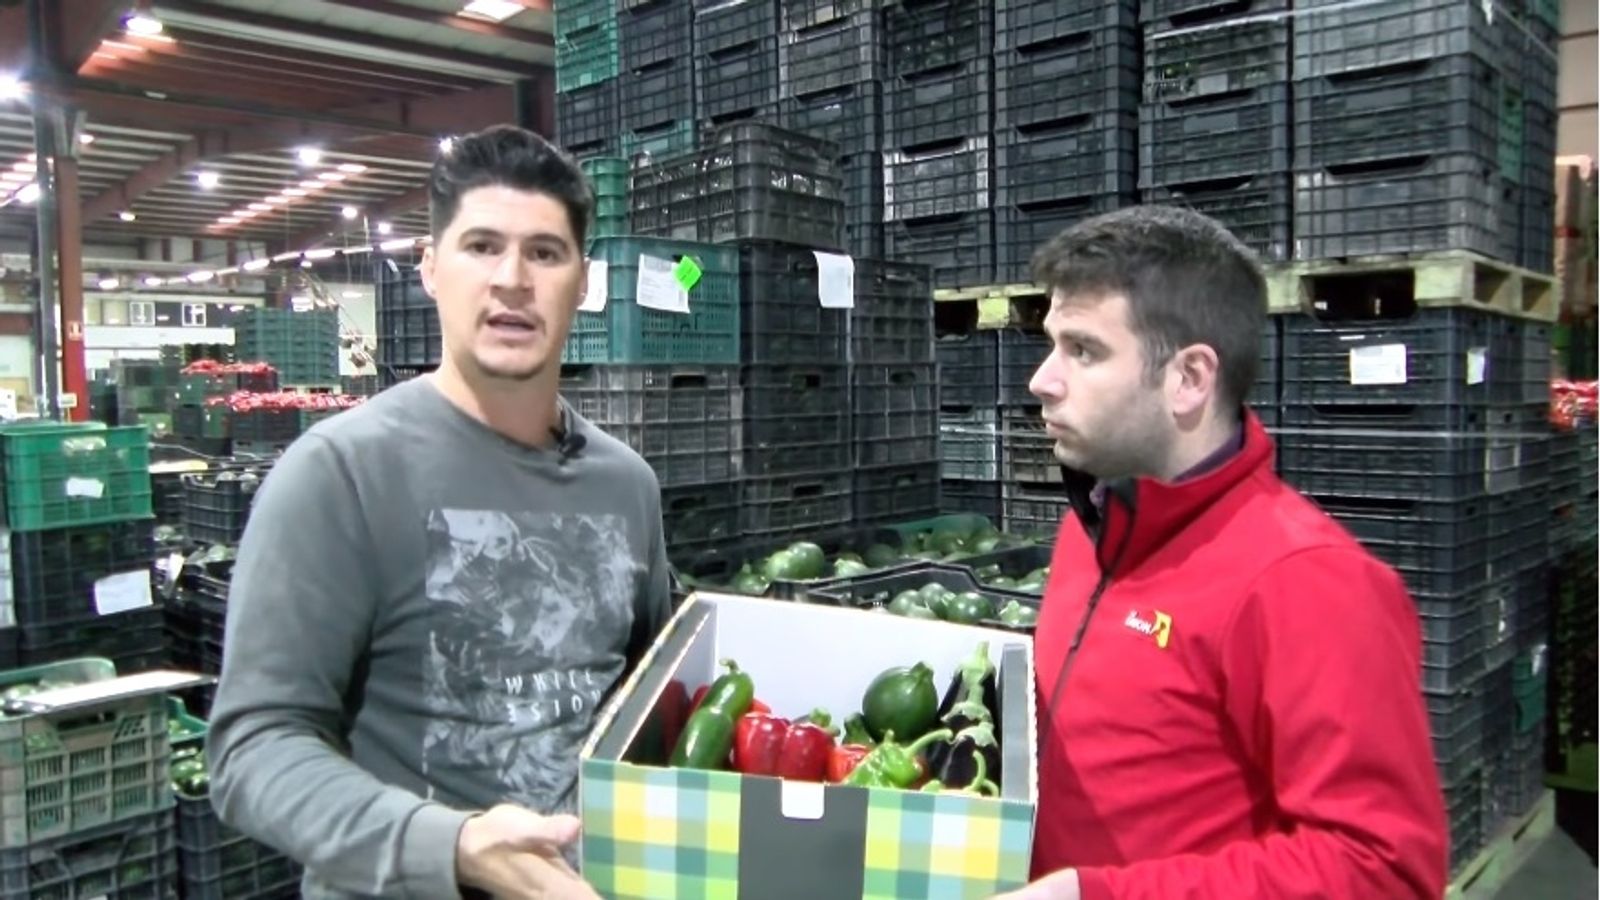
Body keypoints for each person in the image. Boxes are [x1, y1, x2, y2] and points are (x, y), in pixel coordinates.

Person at [206, 125, 672, 900]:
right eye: (481, 246)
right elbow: (254, 748)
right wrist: (451, 845)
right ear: (430, 268)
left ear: (582, 281)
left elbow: (648, 706)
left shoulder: (627, 486)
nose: (512, 280)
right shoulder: (340, 473)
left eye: (545, 253)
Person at [993, 206, 1448, 899]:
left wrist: (1097, 896)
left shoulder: (1307, 584)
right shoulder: (1095, 524)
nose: (1042, 379)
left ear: (1190, 379)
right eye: (1051, 342)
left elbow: (1385, 869)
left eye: (1082, 350)